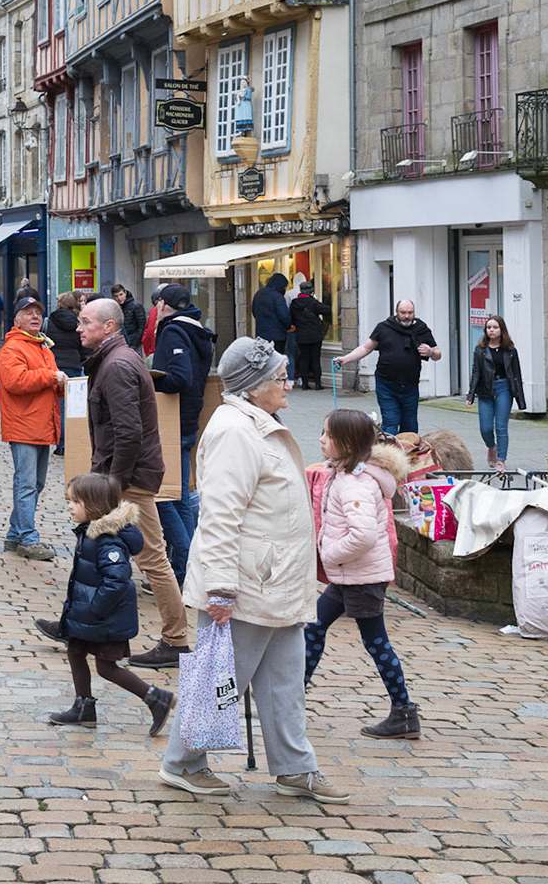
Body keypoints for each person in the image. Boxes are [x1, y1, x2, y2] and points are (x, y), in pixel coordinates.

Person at [157, 338, 347, 804]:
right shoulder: (234, 432)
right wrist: (221, 587)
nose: (287, 383)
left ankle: (294, 766)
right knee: (220, 679)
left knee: (284, 680)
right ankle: (182, 762)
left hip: (275, 580)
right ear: (255, 386)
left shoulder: (259, 422)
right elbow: (220, 515)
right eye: (280, 377)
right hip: (245, 584)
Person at [42, 298, 190, 669]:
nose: (79, 328)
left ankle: (176, 639)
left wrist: (114, 485)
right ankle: (76, 625)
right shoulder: (112, 361)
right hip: (119, 476)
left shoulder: (119, 365)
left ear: (109, 327)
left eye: (86, 322)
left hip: (128, 480)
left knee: (152, 559)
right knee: (94, 549)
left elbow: (129, 433)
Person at [302, 410, 421, 740]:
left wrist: (329, 553)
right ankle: (293, 697)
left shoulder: (355, 484)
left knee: (376, 641)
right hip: (350, 575)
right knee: (314, 627)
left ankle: (404, 712)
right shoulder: (343, 473)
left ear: (347, 444)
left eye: (327, 435)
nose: (321, 440)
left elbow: (364, 535)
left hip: (362, 577)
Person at [43, 472, 177, 736]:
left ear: (94, 507)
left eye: (75, 501)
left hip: (103, 618)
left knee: (106, 667)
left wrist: (95, 610)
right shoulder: (91, 533)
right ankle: (84, 707)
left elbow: (116, 581)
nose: (69, 505)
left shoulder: (107, 540)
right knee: (75, 651)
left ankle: (156, 698)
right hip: (87, 614)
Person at [149, 283, 214, 584]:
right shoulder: (198, 328)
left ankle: (183, 565)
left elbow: (180, 377)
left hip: (172, 421)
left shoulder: (173, 331)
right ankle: (188, 569)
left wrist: (152, 383)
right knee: (180, 497)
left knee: (162, 497)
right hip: (188, 421)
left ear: (162, 304)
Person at [0, 294, 64, 560]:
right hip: (24, 425)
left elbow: (49, 384)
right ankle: (27, 538)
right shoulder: (13, 348)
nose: (35, 316)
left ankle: (15, 535)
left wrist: (61, 385)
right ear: (17, 320)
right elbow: (15, 381)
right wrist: (51, 377)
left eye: (38, 312)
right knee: (26, 484)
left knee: (36, 483)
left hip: (42, 424)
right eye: (29, 313)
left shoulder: (42, 346)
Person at [337, 300, 441, 434]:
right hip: (386, 385)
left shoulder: (421, 329)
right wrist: (346, 359)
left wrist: (431, 352)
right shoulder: (384, 327)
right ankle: (388, 453)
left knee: (410, 426)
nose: (407, 316)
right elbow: (366, 347)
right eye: (403, 313)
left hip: (410, 386)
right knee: (391, 422)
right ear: (396, 312)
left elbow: (438, 353)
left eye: (410, 313)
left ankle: (407, 453)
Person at [466, 315, 527, 470]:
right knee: (485, 428)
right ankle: (491, 447)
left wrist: (520, 400)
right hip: (485, 390)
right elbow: (476, 373)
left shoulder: (510, 350)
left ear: (501, 330)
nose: (491, 330)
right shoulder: (480, 350)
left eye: (495, 327)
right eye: (489, 327)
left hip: (504, 389)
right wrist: (470, 395)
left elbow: (516, 375)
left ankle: (501, 459)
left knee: (501, 427)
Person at [47, 293, 85, 457]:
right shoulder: (78, 323)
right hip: (75, 365)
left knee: (60, 407)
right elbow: (83, 346)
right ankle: (77, 442)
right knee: (76, 407)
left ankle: (61, 444)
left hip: (56, 366)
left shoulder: (50, 322)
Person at [289, 281, 333, 390]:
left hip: (301, 334)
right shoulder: (313, 302)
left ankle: (304, 383)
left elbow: (292, 319)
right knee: (315, 359)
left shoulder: (294, 304)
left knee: (304, 358)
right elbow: (327, 310)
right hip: (315, 335)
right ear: (311, 291)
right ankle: (318, 383)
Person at [252, 272, 291, 355]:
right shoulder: (278, 297)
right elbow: (284, 316)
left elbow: (254, 311)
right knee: (276, 361)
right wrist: (288, 326)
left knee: (264, 359)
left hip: (261, 334)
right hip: (277, 336)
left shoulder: (258, 294)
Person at [113, 285, 146, 352]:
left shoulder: (136, 306)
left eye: (121, 294)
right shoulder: (116, 308)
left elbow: (142, 326)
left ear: (125, 293)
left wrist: (135, 344)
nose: (119, 298)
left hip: (133, 344)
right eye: (116, 296)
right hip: (121, 343)